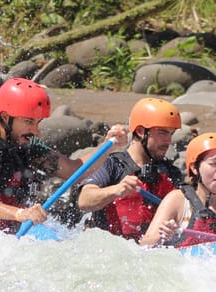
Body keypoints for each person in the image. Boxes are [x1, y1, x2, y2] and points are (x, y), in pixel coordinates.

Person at [0, 78, 128, 233]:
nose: (36, 131)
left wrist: (108, 146)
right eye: (29, 122)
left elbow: (74, 171)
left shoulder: (26, 144)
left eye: (38, 123)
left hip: (0, 237)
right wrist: (21, 213)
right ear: (4, 117)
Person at [76, 97, 183, 240]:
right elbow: (84, 200)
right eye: (162, 132)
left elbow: (186, 215)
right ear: (140, 131)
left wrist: (174, 231)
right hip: (108, 252)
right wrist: (116, 190)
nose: (168, 141)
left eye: (171, 133)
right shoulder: (112, 165)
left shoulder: (171, 173)